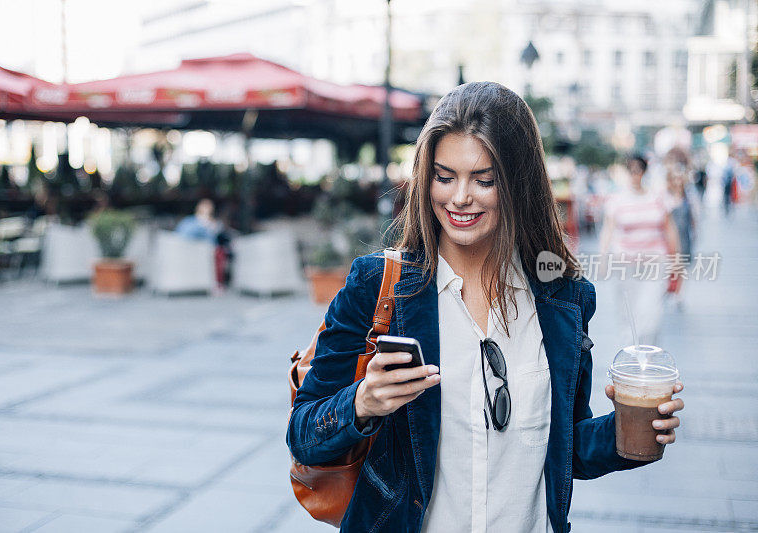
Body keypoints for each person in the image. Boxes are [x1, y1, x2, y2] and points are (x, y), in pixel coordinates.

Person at [287, 83, 684, 532]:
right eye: (444, 176)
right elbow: (304, 435)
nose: (459, 197)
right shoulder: (378, 287)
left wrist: (625, 434)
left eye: (484, 180)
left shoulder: (564, 298)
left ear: (518, 183)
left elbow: (564, 446)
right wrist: (362, 403)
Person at [598, 154, 681, 347]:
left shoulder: (658, 198)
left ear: (644, 172)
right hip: (626, 267)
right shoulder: (616, 200)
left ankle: (649, 353)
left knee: (651, 316)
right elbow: (608, 230)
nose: (635, 175)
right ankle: (632, 359)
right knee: (628, 315)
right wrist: (603, 257)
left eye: (639, 170)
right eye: (631, 170)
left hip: (655, 265)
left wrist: (676, 259)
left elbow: (670, 229)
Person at [665, 167, 697, 308]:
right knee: (669, 265)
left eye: (680, 178)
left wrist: (694, 232)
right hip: (667, 238)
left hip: (684, 237)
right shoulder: (665, 197)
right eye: (675, 178)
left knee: (682, 266)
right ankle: (668, 289)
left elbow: (693, 218)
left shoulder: (688, 197)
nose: (677, 181)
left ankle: (678, 293)